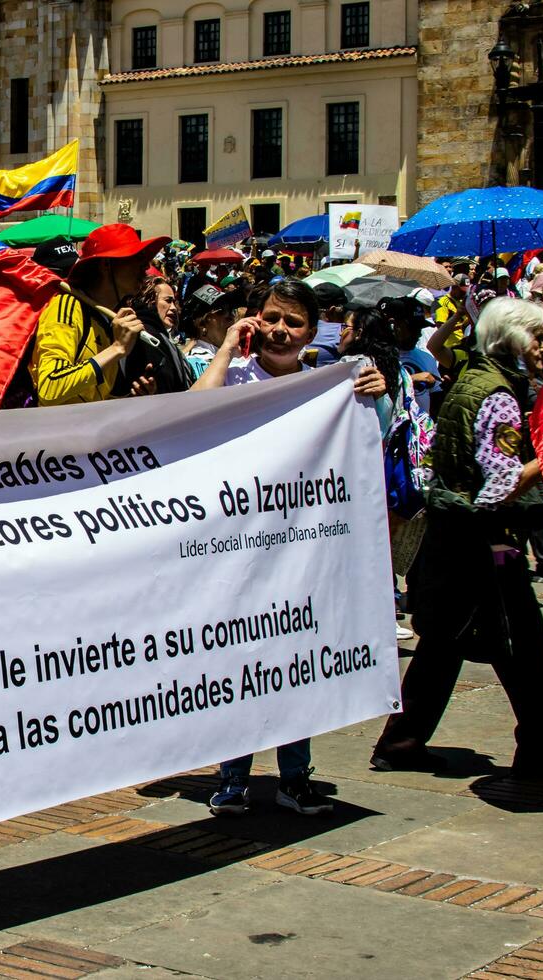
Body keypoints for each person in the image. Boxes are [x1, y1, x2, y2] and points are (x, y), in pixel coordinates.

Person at [372, 298, 543, 779]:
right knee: (524, 649)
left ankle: (401, 741)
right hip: (486, 541)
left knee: (445, 644)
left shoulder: (474, 380)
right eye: (538, 334)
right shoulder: (496, 395)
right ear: (512, 338)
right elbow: (501, 486)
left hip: (458, 539)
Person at [194, 279, 387, 816]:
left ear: (311, 331)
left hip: (301, 548)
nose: (281, 331)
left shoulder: (328, 385)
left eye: (293, 322)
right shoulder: (232, 374)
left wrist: (371, 390)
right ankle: (232, 775)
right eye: (271, 318)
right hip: (235, 545)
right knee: (238, 664)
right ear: (255, 318)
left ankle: (294, 777)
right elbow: (188, 414)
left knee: (294, 661)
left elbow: (368, 441)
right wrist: (229, 347)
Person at [32, 224, 168, 405]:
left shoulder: (105, 320)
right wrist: (117, 348)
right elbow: (50, 387)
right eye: (136, 258)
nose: (145, 267)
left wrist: (132, 400)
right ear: (106, 265)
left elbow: (89, 400)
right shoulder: (67, 306)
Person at [118, 275, 195, 395]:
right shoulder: (142, 336)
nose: (174, 308)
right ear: (149, 301)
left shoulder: (161, 338)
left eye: (174, 302)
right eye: (168, 301)